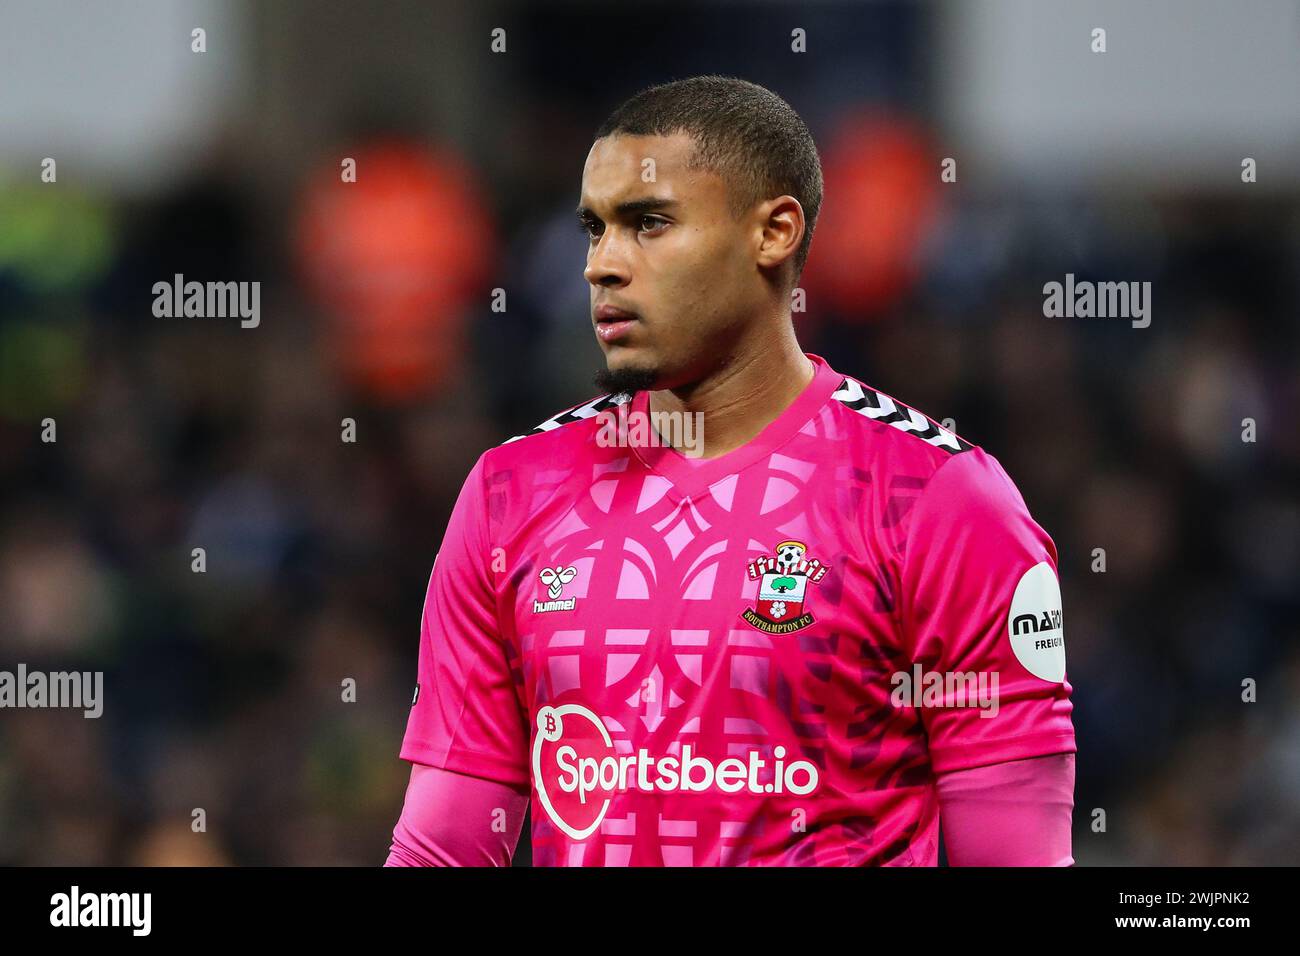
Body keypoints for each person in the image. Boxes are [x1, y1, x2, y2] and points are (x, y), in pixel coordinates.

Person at [386, 75, 1075, 866]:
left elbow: (1015, 856)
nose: (601, 265)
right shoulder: (512, 492)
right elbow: (444, 847)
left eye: (648, 223)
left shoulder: (939, 500)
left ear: (774, 232)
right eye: (593, 229)